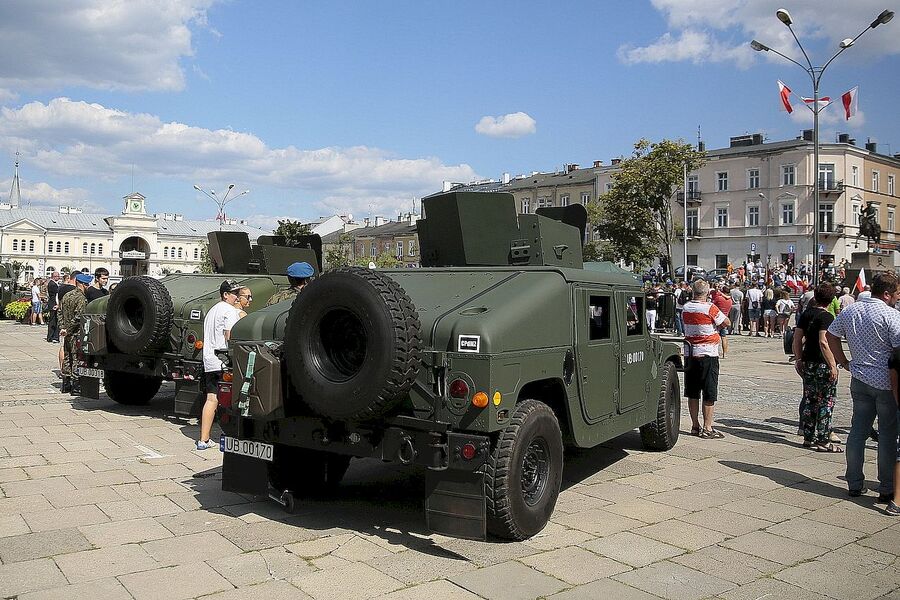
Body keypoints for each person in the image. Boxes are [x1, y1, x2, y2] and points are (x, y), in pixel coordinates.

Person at [826, 271, 900, 501]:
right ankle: (887, 486)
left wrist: (843, 361)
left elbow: (831, 336)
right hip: (887, 381)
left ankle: (854, 482)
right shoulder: (891, 315)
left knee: (858, 432)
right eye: (897, 293)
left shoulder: (851, 310)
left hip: (859, 378)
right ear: (887, 294)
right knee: (888, 435)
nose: (898, 297)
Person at [793, 283, 842, 452]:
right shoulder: (827, 316)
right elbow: (824, 341)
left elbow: (797, 338)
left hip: (808, 362)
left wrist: (799, 359)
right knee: (826, 402)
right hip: (822, 363)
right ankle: (823, 440)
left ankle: (808, 437)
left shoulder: (806, 314)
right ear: (831, 299)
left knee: (810, 400)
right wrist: (832, 365)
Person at [197, 280, 243, 450]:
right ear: (225, 295)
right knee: (231, 400)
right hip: (224, 362)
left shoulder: (212, 310)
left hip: (209, 360)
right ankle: (233, 435)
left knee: (211, 399)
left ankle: (204, 439)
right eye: (234, 293)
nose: (237, 297)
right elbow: (229, 335)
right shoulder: (229, 311)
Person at [683, 279, 730, 439]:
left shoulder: (686, 307)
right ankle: (707, 427)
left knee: (693, 392)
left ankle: (694, 425)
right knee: (709, 392)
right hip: (708, 353)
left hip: (690, 353)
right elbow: (726, 322)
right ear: (707, 292)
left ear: (692, 291)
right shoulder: (710, 307)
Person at [59, 273, 92, 393]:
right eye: (87, 284)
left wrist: (63, 328)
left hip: (66, 332)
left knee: (67, 357)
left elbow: (60, 312)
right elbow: (79, 317)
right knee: (76, 358)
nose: (88, 286)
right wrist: (68, 328)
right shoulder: (81, 299)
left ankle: (65, 384)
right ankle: (76, 386)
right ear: (81, 284)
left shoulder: (66, 296)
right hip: (76, 332)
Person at [711, 285, 732, 358]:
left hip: (717, 318)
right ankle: (725, 354)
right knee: (724, 337)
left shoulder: (719, 298)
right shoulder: (730, 300)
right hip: (725, 318)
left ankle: (714, 352)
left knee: (714, 335)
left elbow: (712, 305)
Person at [46, 271, 61, 343]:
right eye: (56, 276)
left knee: (55, 321)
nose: (58, 277)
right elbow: (57, 293)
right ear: (53, 277)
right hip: (53, 304)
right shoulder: (52, 284)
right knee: (53, 321)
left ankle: (52, 336)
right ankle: (52, 336)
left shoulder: (54, 283)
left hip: (54, 304)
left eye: (58, 276)